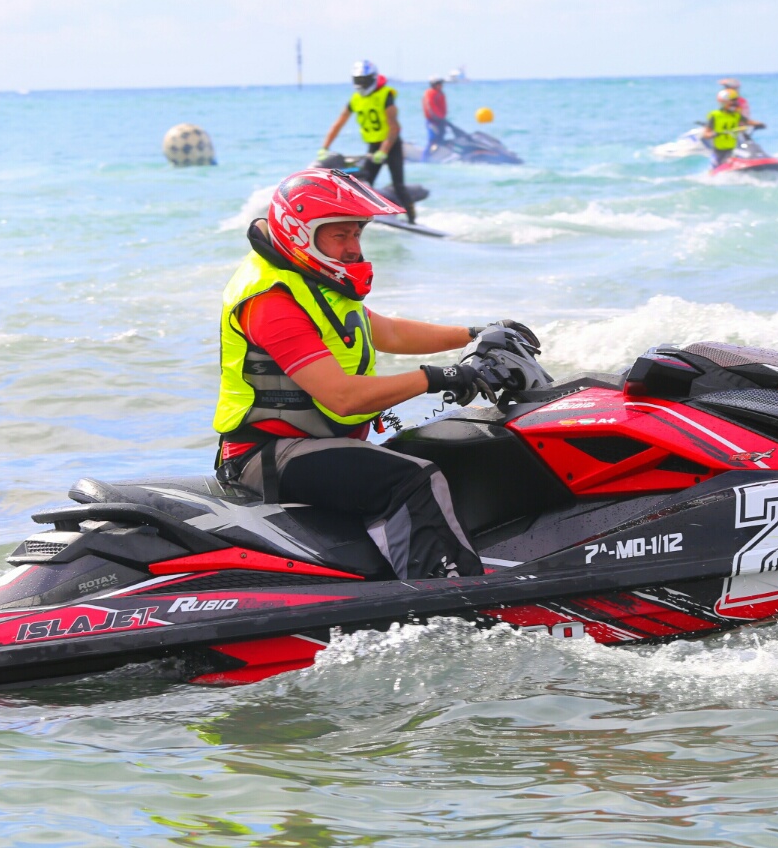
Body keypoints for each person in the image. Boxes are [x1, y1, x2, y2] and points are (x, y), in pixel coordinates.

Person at [213, 167, 540, 580]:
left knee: (454, 444)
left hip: (319, 441)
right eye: (340, 236)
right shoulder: (272, 302)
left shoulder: (311, 278)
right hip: (272, 453)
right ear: (301, 235)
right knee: (408, 479)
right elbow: (343, 397)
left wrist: (476, 333)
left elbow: (386, 330)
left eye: (357, 234)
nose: (354, 248)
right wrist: (438, 377)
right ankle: (443, 599)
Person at [316, 61, 417, 223]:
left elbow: (394, 127)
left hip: (391, 145)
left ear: (373, 79)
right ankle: (364, 215)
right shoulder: (355, 99)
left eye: (365, 80)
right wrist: (324, 147)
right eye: (358, 81)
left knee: (398, 184)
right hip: (373, 146)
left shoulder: (385, 95)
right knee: (364, 181)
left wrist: (384, 151)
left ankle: (412, 220)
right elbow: (339, 123)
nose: (361, 85)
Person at [702, 89, 765, 166]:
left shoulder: (736, 115)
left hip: (733, 148)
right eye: (732, 101)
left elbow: (748, 122)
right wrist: (713, 134)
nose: (734, 104)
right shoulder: (715, 115)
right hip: (719, 149)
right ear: (724, 102)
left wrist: (759, 124)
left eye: (735, 101)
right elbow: (706, 133)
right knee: (718, 164)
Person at [421, 76, 449, 159]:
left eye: (441, 84)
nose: (441, 85)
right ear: (434, 85)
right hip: (433, 121)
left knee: (441, 139)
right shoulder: (430, 93)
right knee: (432, 141)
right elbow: (431, 108)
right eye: (439, 84)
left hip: (440, 121)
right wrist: (438, 118)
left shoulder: (440, 93)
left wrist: (442, 119)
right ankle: (424, 159)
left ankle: (438, 156)